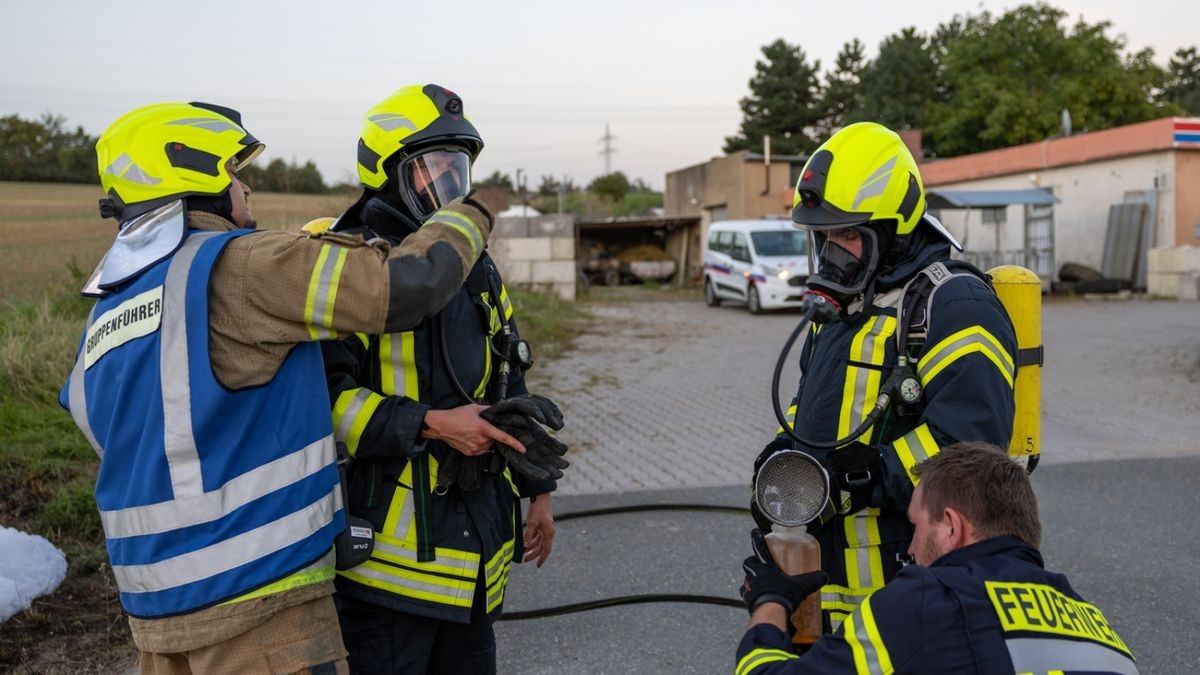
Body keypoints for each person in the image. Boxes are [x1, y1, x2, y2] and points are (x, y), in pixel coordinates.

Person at [58, 100, 504, 674]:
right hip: (259, 604)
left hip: (154, 612)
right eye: (237, 172)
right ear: (200, 173)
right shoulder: (243, 264)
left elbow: (101, 423)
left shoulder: (110, 307)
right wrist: (471, 214)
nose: (247, 189)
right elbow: (405, 285)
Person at [315, 84, 565, 674]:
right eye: (432, 169)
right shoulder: (351, 266)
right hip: (389, 569)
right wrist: (430, 424)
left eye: (458, 170)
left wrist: (540, 493)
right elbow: (323, 400)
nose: (448, 188)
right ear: (387, 173)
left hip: (475, 557)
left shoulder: (473, 264)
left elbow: (511, 380)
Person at [754, 122, 1018, 632]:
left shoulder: (955, 306)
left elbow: (974, 449)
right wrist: (786, 456)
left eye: (849, 235)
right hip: (826, 586)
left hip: (906, 593)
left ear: (894, 229)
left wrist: (867, 473)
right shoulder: (845, 304)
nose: (833, 252)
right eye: (825, 236)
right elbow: (813, 405)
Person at [737, 442, 1139, 674]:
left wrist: (770, 602)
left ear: (950, 526)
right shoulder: (1098, 627)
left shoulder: (929, 600)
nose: (910, 548)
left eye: (916, 526)